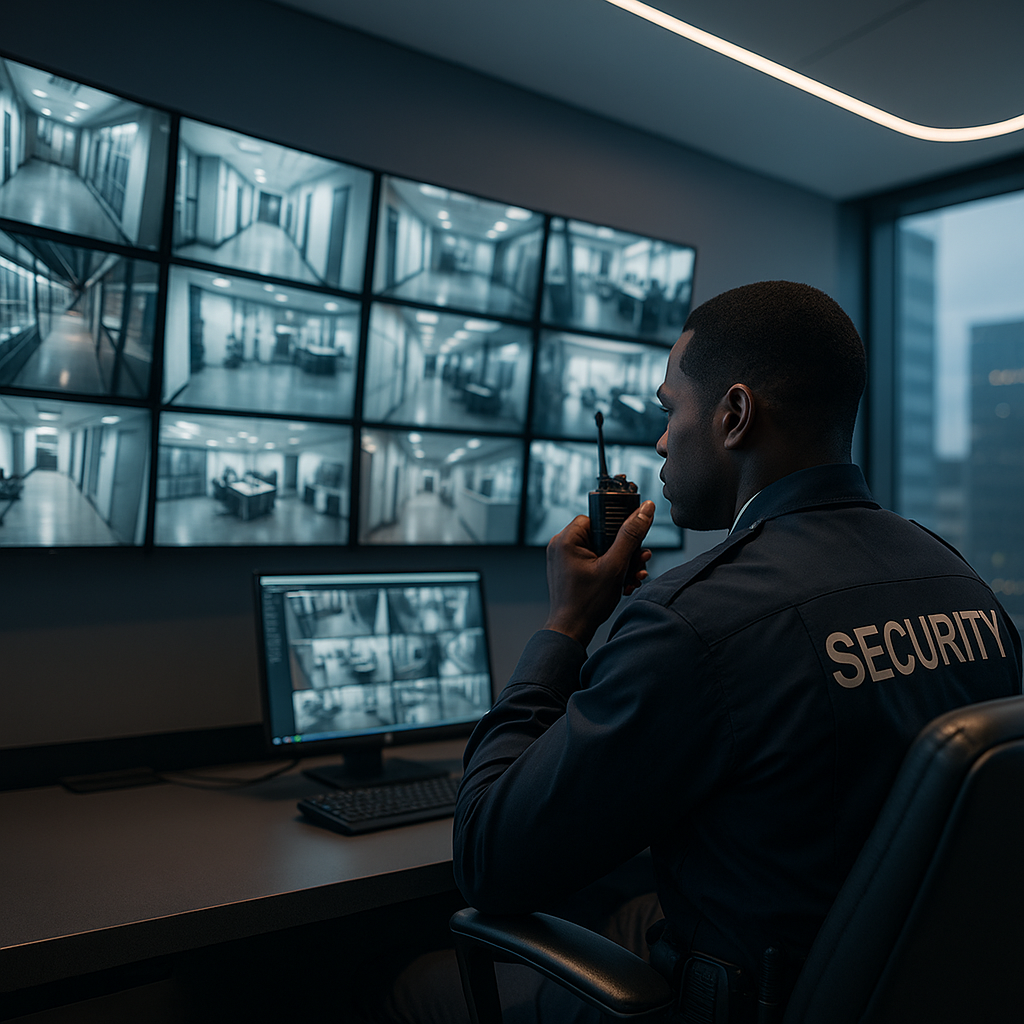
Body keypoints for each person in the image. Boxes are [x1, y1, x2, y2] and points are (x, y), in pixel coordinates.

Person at [443, 281, 1022, 1023]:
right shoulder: (960, 583)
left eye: (669, 411)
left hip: (746, 1002)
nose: (660, 442)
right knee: (626, 903)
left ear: (734, 415)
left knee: (416, 988)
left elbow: (488, 858)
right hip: (912, 990)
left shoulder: (693, 621)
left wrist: (565, 625)